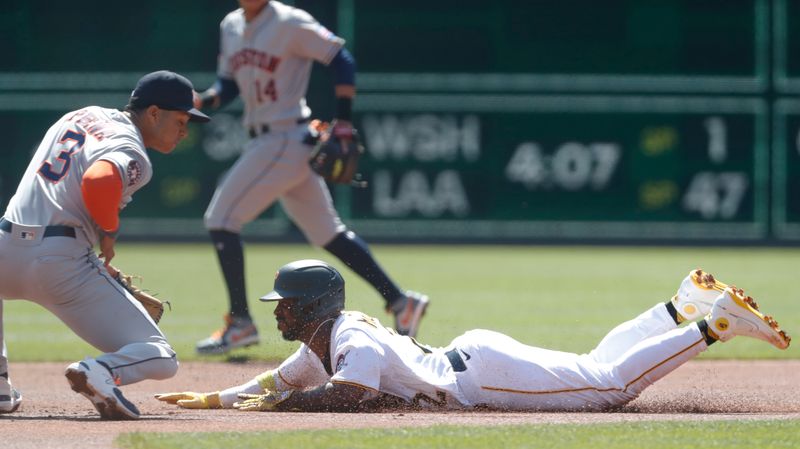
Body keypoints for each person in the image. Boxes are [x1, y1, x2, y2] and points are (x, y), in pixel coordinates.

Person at [156, 261, 790, 413]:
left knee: (608, 387)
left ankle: (710, 323)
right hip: (478, 357)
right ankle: (677, 305)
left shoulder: (352, 343)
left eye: (287, 305)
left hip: (480, 377)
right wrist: (217, 400)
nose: (278, 314)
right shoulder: (325, 339)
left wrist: (282, 408)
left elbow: (348, 394)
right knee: (595, 365)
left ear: (315, 306)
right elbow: (280, 379)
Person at [192, 0, 428, 356]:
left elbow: (340, 58)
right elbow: (227, 87)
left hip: (285, 136)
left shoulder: (290, 21)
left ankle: (241, 322)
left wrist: (344, 119)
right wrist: (202, 99)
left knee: (221, 219)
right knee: (328, 233)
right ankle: (399, 301)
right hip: (273, 139)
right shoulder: (231, 25)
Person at [0, 70, 210, 419]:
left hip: (6, 246)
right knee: (161, 356)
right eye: (181, 119)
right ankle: (98, 371)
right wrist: (108, 235)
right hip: (59, 262)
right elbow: (98, 180)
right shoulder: (133, 152)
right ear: (154, 113)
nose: (185, 130)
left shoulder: (79, 115)